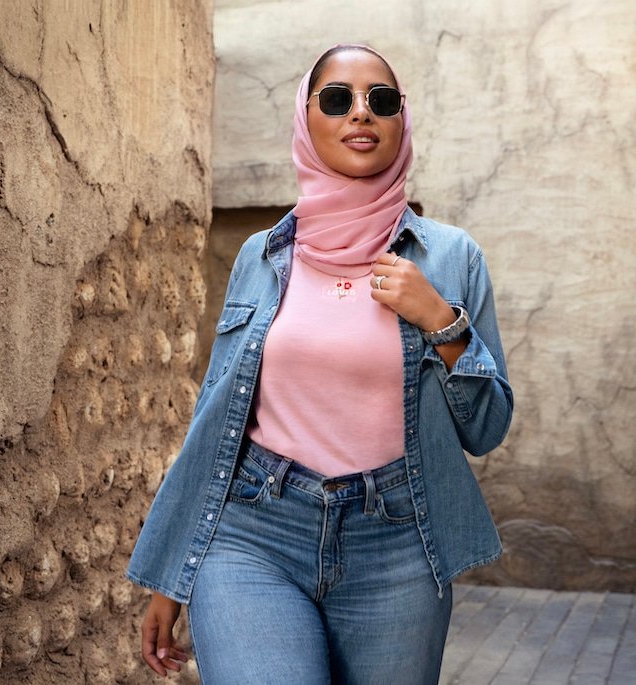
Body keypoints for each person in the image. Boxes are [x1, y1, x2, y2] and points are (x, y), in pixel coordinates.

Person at [126, 43, 514, 684]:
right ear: (307, 120)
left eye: (380, 101)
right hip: (254, 530)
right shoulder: (261, 254)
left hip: (398, 542)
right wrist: (173, 571)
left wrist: (440, 321)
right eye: (338, 99)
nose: (361, 113)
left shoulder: (449, 258)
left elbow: (488, 426)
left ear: (400, 121)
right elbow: (215, 417)